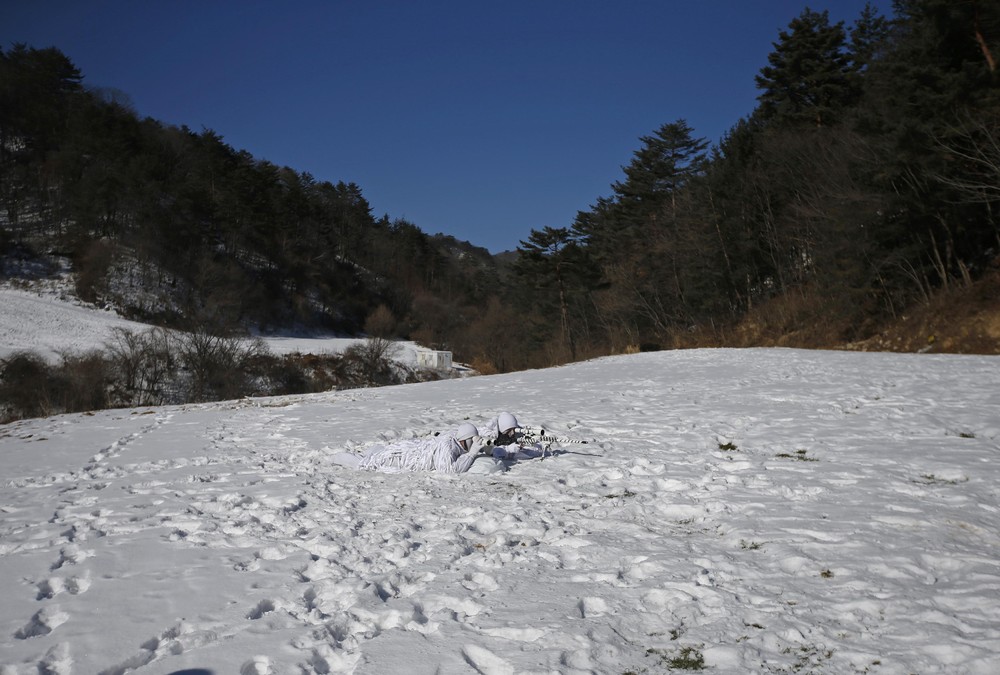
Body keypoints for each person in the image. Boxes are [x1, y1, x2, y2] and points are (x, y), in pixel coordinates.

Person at [337, 422, 487, 474]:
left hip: (408, 451)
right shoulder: (447, 446)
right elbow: (449, 470)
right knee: (364, 464)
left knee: (375, 455)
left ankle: (367, 452)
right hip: (402, 458)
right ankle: (333, 458)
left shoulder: (454, 438)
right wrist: (472, 454)